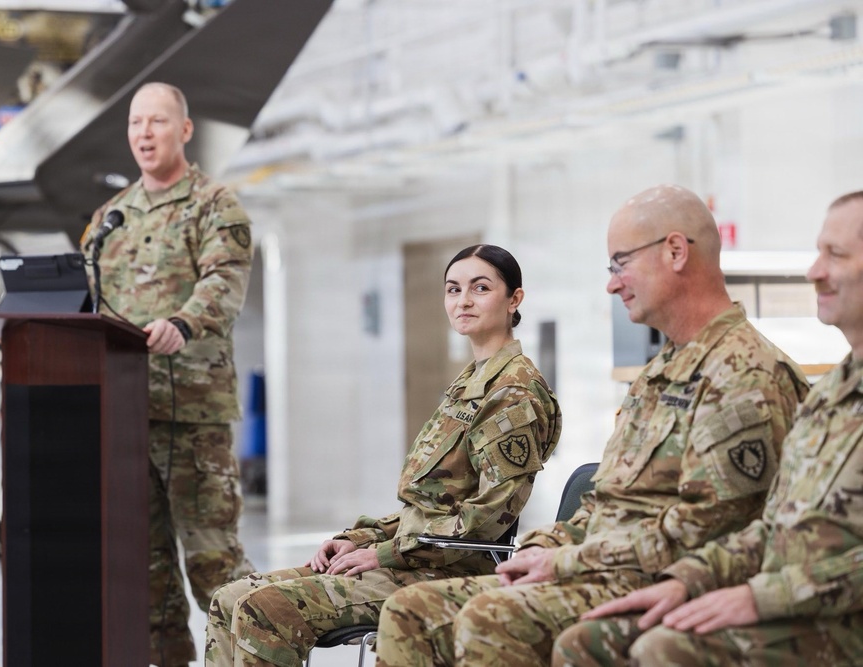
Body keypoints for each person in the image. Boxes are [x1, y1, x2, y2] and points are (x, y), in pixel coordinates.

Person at [373, 184, 810, 667]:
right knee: (411, 610)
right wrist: (543, 546)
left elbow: (711, 528)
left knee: (490, 618)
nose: (612, 283)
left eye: (620, 263)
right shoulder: (661, 370)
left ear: (675, 252)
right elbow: (607, 498)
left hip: (657, 578)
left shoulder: (744, 374)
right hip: (601, 564)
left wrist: (565, 560)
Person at [204, 244, 563, 666]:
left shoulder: (512, 392)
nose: (463, 301)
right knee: (228, 598)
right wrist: (361, 537)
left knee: (263, 608)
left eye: (480, 288)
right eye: (453, 289)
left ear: (514, 299)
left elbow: (484, 522)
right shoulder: (472, 381)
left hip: (447, 571)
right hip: (413, 557)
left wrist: (382, 554)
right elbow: (430, 507)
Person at [553, 191, 863, 667]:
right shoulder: (833, 393)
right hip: (790, 600)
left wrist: (762, 597)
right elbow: (773, 529)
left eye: (835, 255)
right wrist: (689, 581)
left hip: (832, 617)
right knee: (590, 642)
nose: (813, 271)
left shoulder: (751, 372)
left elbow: (716, 519)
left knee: (662, 650)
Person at [81, 81, 255, 667]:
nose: (144, 134)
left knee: (216, 567)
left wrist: (182, 321)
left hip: (193, 419)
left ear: (184, 130)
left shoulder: (215, 204)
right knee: (145, 574)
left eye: (157, 122)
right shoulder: (110, 217)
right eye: (136, 123)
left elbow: (224, 283)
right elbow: (86, 303)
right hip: (124, 419)